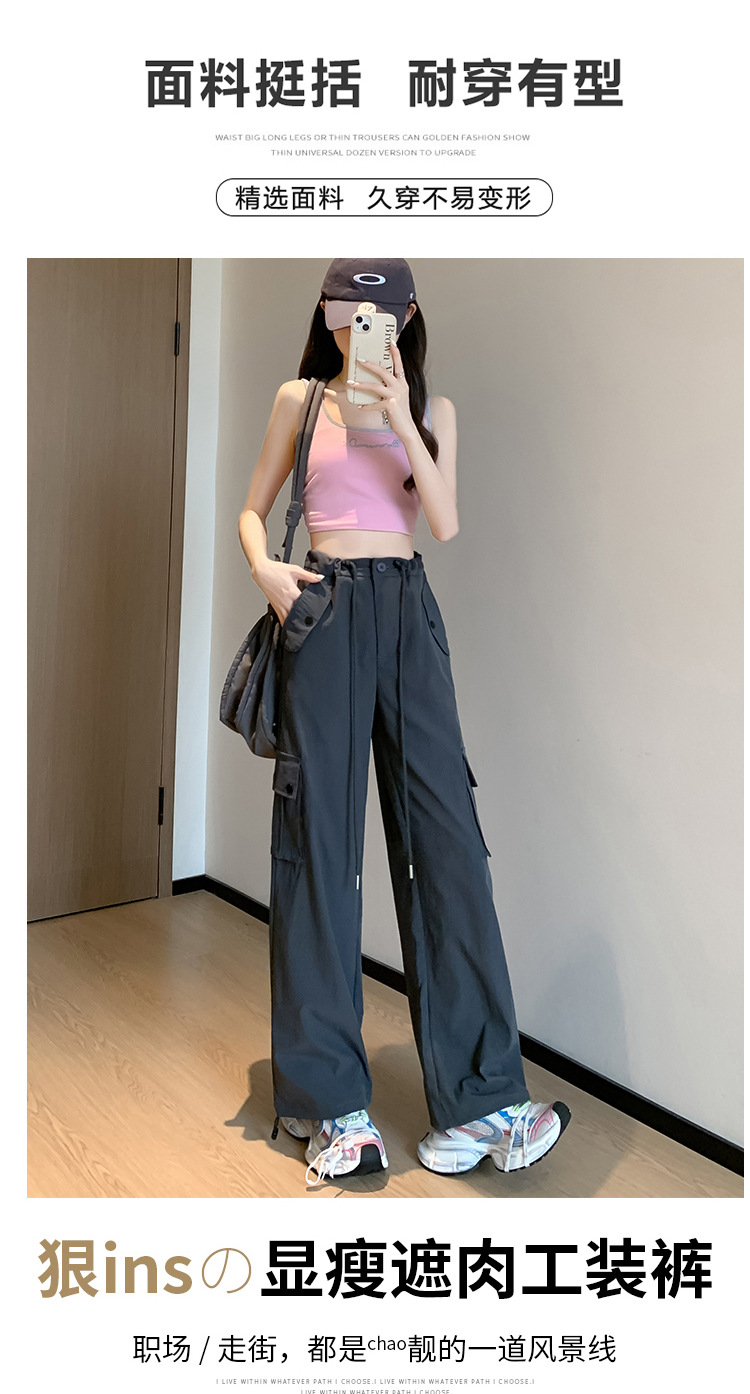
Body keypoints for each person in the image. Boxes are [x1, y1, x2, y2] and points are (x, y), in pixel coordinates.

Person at [237, 258, 571, 1187]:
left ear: (407, 314)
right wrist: (267, 573)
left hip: (409, 614)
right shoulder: (299, 400)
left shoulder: (434, 410)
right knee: (320, 846)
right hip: (324, 607)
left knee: (447, 842)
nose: (362, 324)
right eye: (348, 309)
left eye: (380, 311)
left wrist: (400, 416)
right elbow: (253, 512)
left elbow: (445, 521)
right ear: (326, 314)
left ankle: (482, 1102)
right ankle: (328, 1103)